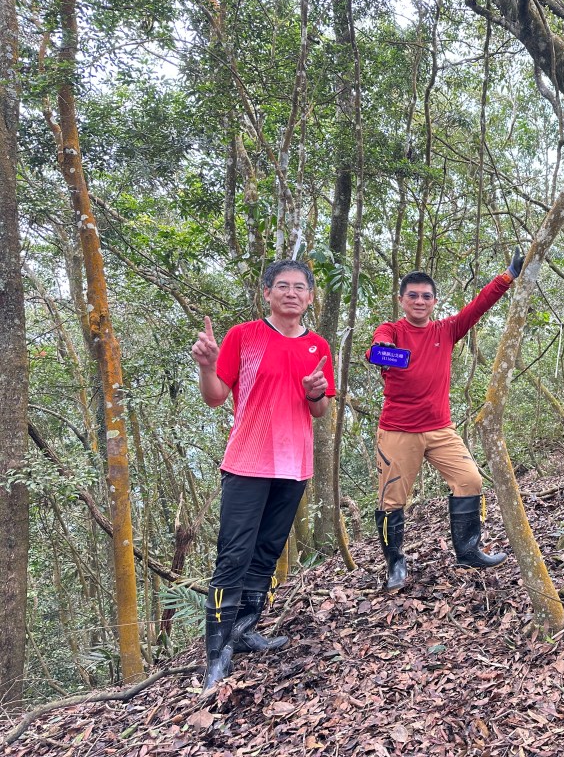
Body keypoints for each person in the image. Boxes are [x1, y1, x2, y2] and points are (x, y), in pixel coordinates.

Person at [190, 259, 335, 693]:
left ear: (310, 297)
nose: (291, 293)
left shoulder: (318, 346)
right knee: (233, 555)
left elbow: (320, 410)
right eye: (282, 286)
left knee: (267, 553)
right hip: (247, 463)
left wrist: (315, 393)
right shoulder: (244, 335)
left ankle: (244, 631)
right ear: (267, 293)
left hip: (294, 466)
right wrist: (207, 366)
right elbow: (216, 397)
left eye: (300, 287)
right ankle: (216, 652)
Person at [367, 251, 524, 591]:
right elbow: (377, 349)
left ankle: (468, 551)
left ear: (434, 301)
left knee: (470, 480)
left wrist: (508, 275)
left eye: (426, 296)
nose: (419, 301)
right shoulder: (392, 329)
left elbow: (478, 306)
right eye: (413, 296)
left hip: (441, 429)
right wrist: (391, 356)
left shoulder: (447, 329)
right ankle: (395, 563)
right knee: (391, 500)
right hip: (398, 430)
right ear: (402, 300)